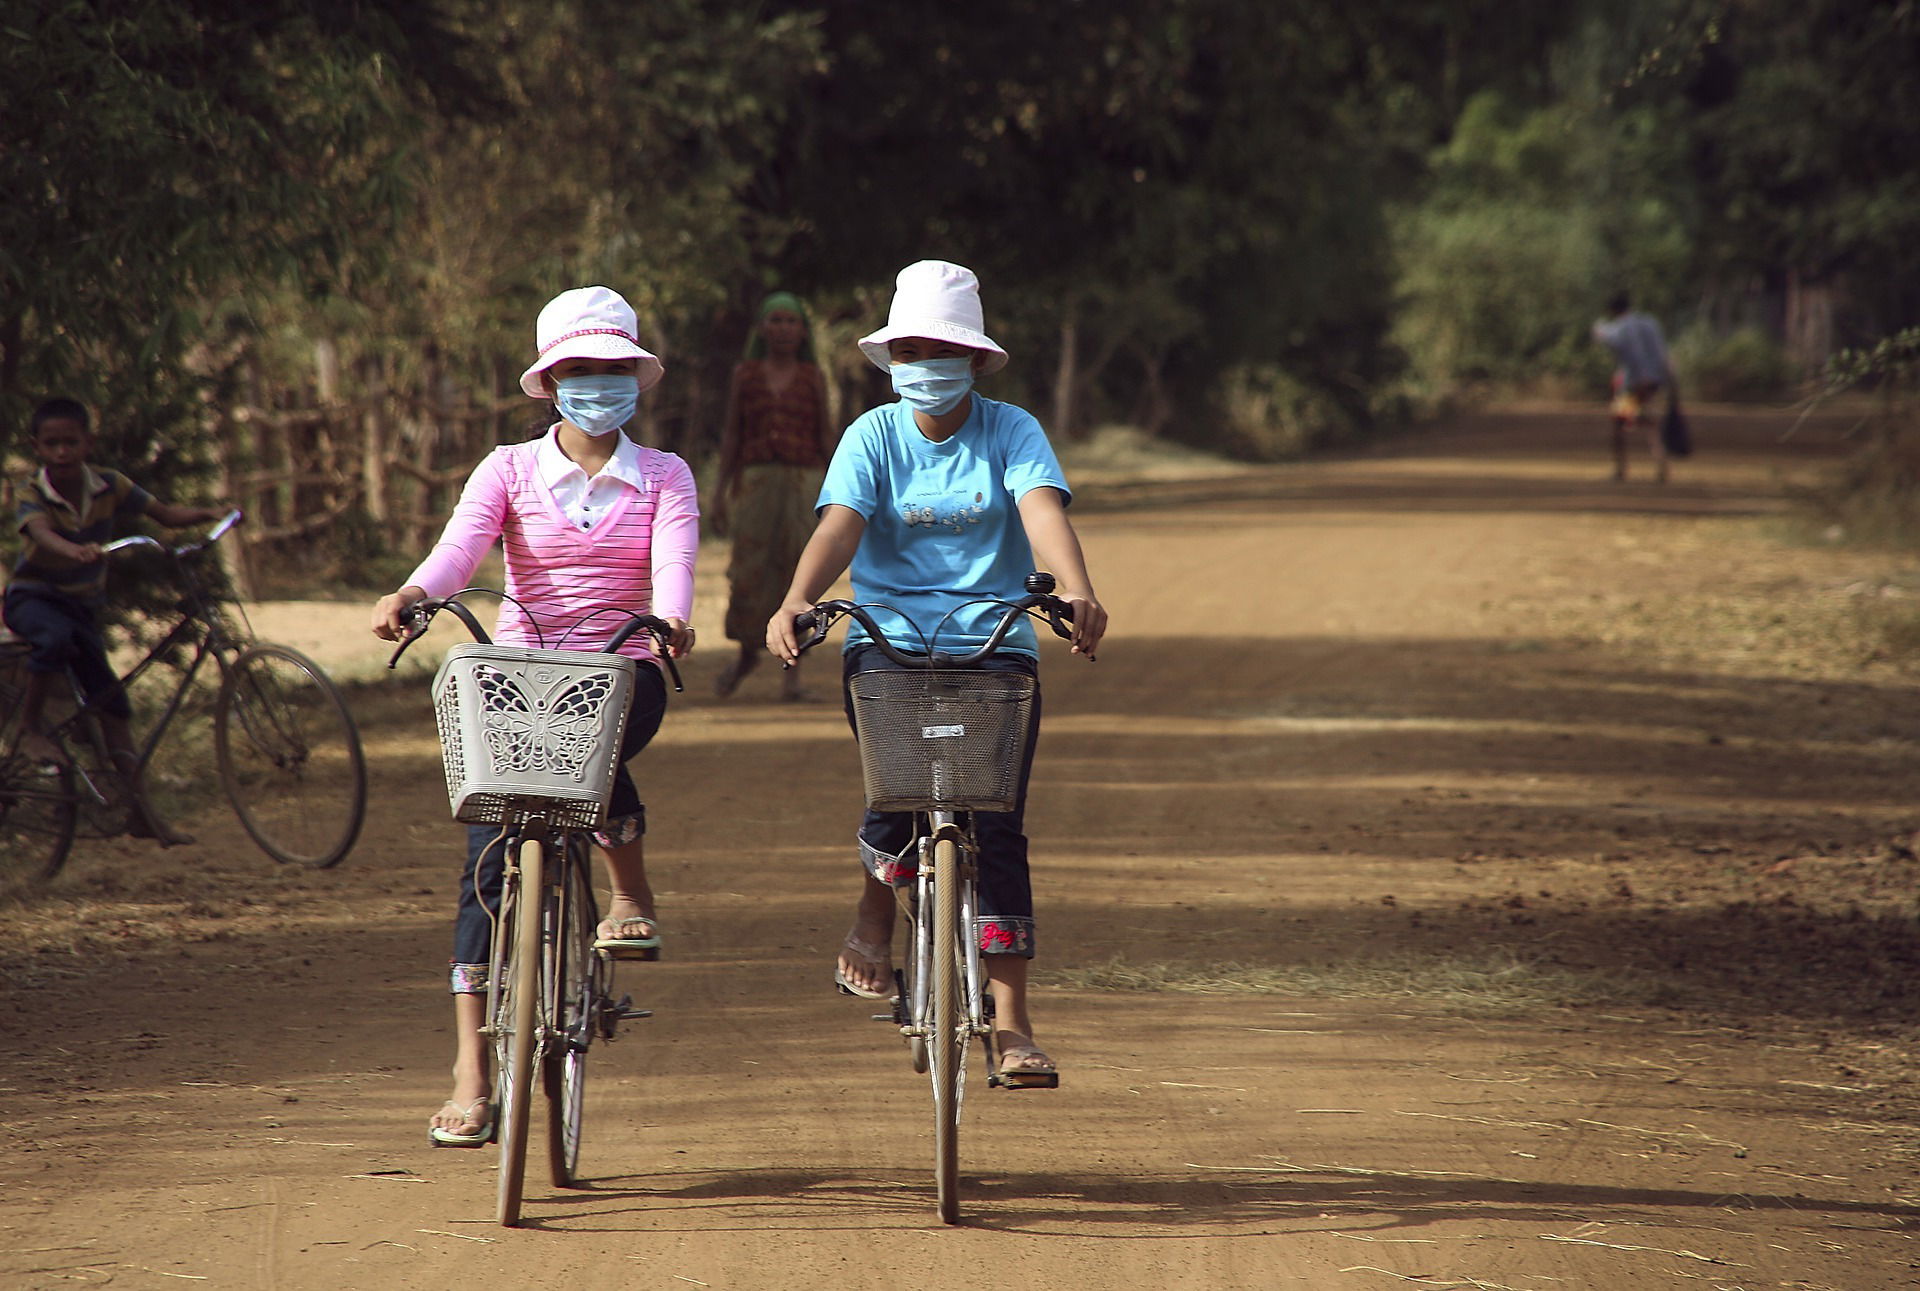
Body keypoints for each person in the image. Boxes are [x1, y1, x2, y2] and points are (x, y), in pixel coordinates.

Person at [370, 286, 698, 1146]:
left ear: (636, 379)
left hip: (623, 666)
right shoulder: (507, 469)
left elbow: (674, 567)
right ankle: (471, 1073)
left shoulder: (666, 474)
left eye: (613, 369)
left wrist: (669, 617)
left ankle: (627, 887)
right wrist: (413, 593)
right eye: (580, 370)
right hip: (515, 675)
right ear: (550, 382)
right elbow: (459, 549)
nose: (598, 383)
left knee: (599, 745)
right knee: (485, 858)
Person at [765, 260, 1107, 1084]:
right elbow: (841, 527)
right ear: (890, 358)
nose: (928, 361)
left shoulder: (1012, 430)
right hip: (884, 642)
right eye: (912, 347)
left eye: (943, 346)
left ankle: (1014, 1023)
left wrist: (1077, 586)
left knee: (998, 826)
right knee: (897, 796)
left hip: (995, 646)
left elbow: (1041, 511)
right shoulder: (872, 436)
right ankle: (877, 903)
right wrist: (798, 599)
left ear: (977, 358)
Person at [5, 397, 228, 843]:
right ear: (38, 447)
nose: (62, 452)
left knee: (112, 705)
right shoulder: (32, 492)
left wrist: (207, 514)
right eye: (52, 444)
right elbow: (41, 535)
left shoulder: (110, 485)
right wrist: (74, 550)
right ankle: (30, 729)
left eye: (71, 442)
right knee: (54, 638)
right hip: (33, 598)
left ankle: (140, 812)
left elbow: (162, 513)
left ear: (88, 442)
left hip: (81, 607)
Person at [712, 291, 834, 701]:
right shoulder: (744, 375)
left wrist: (838, 496)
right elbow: (732, 434)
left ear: (802, 332)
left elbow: (825, 435)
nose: (783, 329)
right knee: (750, 572)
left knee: (797, 573)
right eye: (775, 321)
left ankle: (792, 677)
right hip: (756, 484)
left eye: (791, 321)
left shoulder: (813, 377)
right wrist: (718, 493)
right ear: (762, 329)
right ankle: (747, 654)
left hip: (804, 484)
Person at [1592, 292, 1677, 483]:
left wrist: (1598, 329)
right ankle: (1660, 460)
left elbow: (1608, 338)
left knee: (1620, 422)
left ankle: (1621, 469)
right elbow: (1663, 352)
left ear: (1613, 310)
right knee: (1644, 419)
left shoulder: (1621, 327)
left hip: (1634, 381)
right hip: (1655, 380)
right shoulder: (1650, 322)